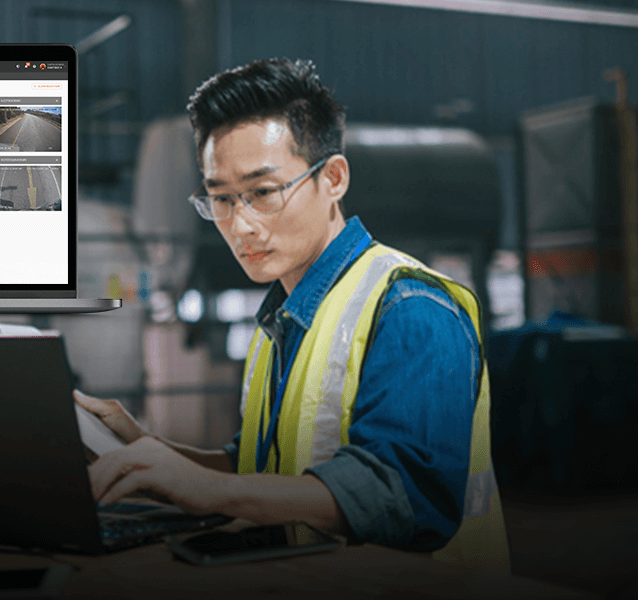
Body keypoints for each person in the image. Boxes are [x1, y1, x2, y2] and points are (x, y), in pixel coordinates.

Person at [76, 58, 510, 573]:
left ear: (333, 178)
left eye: (262, 193)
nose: (241, 226)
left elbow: (398, 497)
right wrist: (148, 448)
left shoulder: (410, 307)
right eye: (220, 199)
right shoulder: (282, 319)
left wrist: (207, 490)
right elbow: (257, 469)